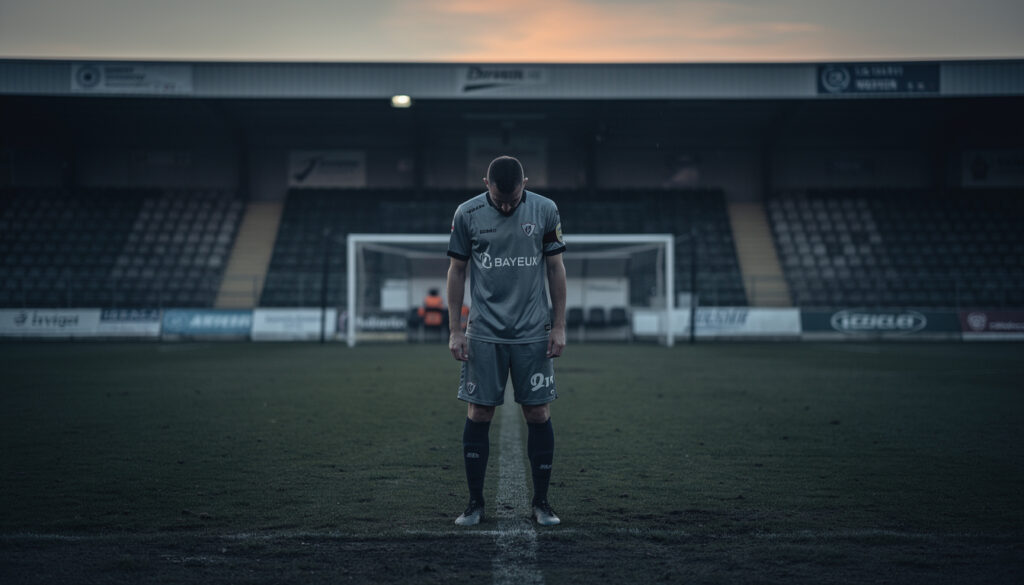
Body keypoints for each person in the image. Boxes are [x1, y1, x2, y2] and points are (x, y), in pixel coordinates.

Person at [446, 155, 567, 527]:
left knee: (538, 412)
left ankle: (542, 503)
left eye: (513, 200)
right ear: (486, 184)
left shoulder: (546, 211)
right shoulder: (466, 214)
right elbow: (457, 270)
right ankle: (474, 504)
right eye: (499, 199)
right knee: (479, 412)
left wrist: (559, 325)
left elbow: (555, 268)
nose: (505, 206)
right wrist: (454, 329)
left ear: (525, 184)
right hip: (483, 332)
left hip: (533, 332)